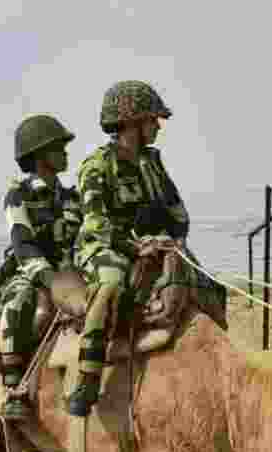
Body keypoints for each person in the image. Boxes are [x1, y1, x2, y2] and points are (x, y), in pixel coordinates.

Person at [68, 80, 189, 417]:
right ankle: (88, 379)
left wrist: (168, 236)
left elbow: (179, 214)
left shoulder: (153, 163)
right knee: (110, 284)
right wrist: (135, 248)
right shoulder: (96, 166)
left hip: (153, 245)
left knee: (198, 283)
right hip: (105, 246)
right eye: (152, 120)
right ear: (132, 123)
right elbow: (94, 223)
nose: (158, 126)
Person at [0, 113, 82, 421]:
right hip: (33, 272)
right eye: (59, 147)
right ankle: (13, 387)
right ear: (39, 154)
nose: (65, 152)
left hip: (73, 272)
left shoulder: (73, 197)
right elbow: (23, 242)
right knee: (17, 305)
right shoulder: (18, 194)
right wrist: (49, 279)